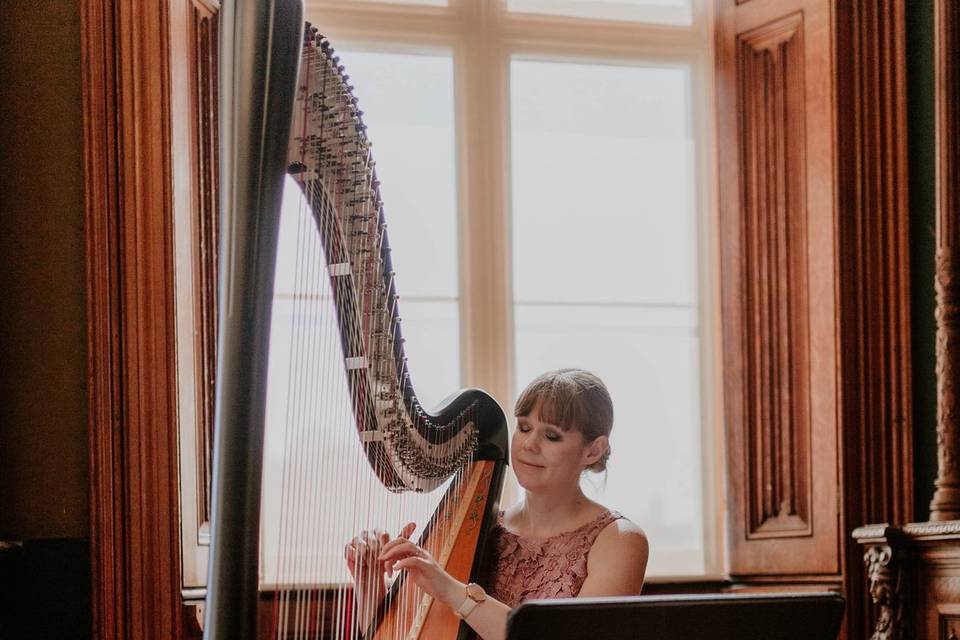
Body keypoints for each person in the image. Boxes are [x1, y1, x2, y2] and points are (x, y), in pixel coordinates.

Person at [345, 368, 649, 640]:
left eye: (552, 436)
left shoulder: (619, 541)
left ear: (594, 450)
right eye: (524, 427)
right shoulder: (481, 530)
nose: (529, 445)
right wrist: (370, 585)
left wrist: (454, 592)